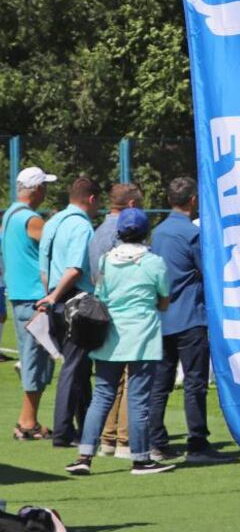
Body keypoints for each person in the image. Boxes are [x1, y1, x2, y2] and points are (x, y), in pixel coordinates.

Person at [64, 207, 175, 475]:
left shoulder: (105, 261)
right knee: (138, 399)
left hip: (110, 336)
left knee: (102, 395)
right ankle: (140, 459)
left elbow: (100, 293)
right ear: (145, 232)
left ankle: (84, 457)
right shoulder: (154, 262)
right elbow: (163, 299)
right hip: (143, 336)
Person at [148, 177, 224, 464]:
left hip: (163, 318)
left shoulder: (159, 232)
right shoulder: (192, 234)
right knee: (194, 382)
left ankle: (157, 441)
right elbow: (208, 270)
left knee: (161, 383)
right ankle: (197, 442)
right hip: (190, 317)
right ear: (192, 200)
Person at [38, 177, 100, 448]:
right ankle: (63, 432)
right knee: (74, 367)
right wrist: (57, 295)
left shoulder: (52, 222)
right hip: (73, 298)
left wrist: (50, 295)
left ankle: (84, 426)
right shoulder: (82, 225)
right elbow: (75, 268)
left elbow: (44, 267)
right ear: (91, 199)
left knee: (78, 365)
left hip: (54, 297)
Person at [87, 184, 143, 459]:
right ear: (132, 204)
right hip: (125, 312)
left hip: (102, 309)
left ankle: (108, 439)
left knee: (109, 381)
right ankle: (124, 440)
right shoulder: (123, 233)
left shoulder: (98, 231)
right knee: (130, 377)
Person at [3, 167, 54, 440]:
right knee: (36, 359)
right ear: (36, 189)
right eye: (44, 186)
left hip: (20, 295)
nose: (46, 191)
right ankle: (27, 422)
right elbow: (53, 243)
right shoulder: (31, 219)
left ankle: (29, 420)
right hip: (35, 298)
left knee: (34, 357)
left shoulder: (10, 214)